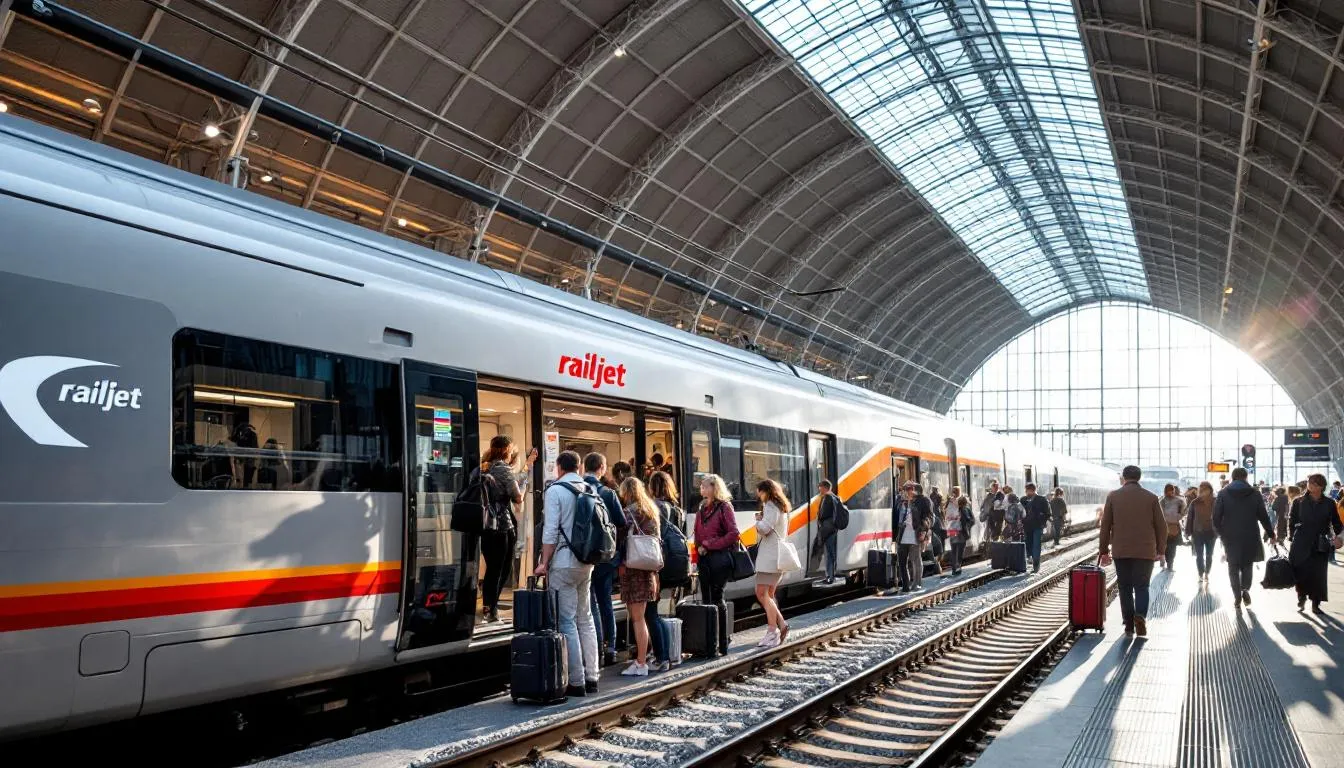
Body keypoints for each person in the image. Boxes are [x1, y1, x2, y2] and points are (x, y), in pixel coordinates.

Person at [535, 451, 601, 697]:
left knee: (566, 621)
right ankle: (593, 676)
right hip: (586, 562)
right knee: (585, 618)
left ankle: (577, 681)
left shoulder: (555, 491)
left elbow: (550, 532)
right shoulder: (589, 488)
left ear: (560, 467)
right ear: (579, 466)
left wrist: (544, 562)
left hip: (563, 562)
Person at [1099, 466, 1166, 636]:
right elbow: (1162, 527)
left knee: (1125, 587)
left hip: (1121, 550)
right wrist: (1161, 550)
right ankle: (1140, 616)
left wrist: (1104, 551)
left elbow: (1105, 526)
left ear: (1123, 477)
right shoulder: (1151, 498)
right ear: (1139, 477)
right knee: (1142, 586)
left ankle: (1129, 624)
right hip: (1145, 550)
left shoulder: (1113, 496)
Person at [477, 436, 537, 623]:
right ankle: (492, 608)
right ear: (506, 450)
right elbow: (517, 497)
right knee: (501, 569)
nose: (511, 453)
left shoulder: (484, 466)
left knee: (491, 569)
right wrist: (524, 479)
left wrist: (526, 467)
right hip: (502, 525)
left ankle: (488, 606)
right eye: (510, 449)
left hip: (485, 526)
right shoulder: (503, 468)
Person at [616, 477, 662, 676]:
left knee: (637, 618)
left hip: (633, 568)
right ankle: (645, 657)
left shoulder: (629, 513)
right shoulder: (651, 511)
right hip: (649, 569)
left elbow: (619, 538)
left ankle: (641, 662)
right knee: (641, 616)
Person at [1213, 466, 1276, 609]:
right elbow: (1263, 516)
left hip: (1230, 536)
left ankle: (1237, 597)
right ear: (1246, 477)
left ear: (1232, 477)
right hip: (1250, 535)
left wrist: (1221, 533)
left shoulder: (1223, 493)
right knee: (1248, 564)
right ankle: (1245, 589)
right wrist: (1271, 533)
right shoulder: (1255, 493)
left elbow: (1216, 517)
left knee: (1233, 566)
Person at [583, 453, 625, 666]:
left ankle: (595, 647)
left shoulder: (576, 489)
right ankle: (610, 648)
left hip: (583, 556)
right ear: (601, 467)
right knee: (605, 601)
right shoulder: (608, 493)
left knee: (589, 605)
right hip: (605, 556)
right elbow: (621, 521)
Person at [693, 474, 739, 656]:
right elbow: (697, 533)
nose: (701, 489)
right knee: (706, 599)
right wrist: (699, 549)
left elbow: (733, 533)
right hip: (705, 559)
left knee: (717, 597)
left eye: (705, 486)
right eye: (701, 486)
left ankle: (723, 642)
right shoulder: (701, 508)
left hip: (720, 558)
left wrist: (709, 545)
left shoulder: (724, 507)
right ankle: (709, 643)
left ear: (714, 488)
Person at [1288, 474, 1343, 614]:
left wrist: (1339, 538)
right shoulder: (1298, 501)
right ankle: (1301, 596)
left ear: (1321, 486)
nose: (1311, 485)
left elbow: (1336, 522)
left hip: (1320, 542)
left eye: (1314, 483)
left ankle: (1315, 603)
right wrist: (1292, 535)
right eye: (1309, 482)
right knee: (1300, 571)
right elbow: (1291, 521)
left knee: (1318, 574)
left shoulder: (1329, 503)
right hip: (1301, 541)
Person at [751, 479, 792, 648]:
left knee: (761, 594)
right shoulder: (781, 506)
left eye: (759, 492)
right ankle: (781, 625)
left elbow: (765, 529)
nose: (758, 496)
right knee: (769, 595)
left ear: (765, 491)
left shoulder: (770, 506)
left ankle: (771, 632)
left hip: (770, 558)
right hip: (777, 557)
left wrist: (758, 522)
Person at [893, 482, 932, 592]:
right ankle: (905, 585)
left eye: (909, 489)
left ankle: (917, 583)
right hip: (902, 536)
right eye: (905, 490)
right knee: (901, 562)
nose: (906, 492)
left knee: (916, 560)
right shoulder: (900, 503)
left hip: (915, 535)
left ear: (914, 490)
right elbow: (895, 518)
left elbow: (929, 517)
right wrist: (894, 535)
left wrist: (924, 529)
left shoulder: (922, 501)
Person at [1184, 481, 1217, 582]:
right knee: (1199, 555)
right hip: (1197, 532)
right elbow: (1190, 518)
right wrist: (1187, 531)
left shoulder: (1216, 501)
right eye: (1201, 489)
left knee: (1209, 555)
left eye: (1205, 489)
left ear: (1210, 490)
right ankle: (1200, 573)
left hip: (1211, 532)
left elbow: (1220, 516)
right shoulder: (1195, 502)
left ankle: (1207, 572)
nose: (1203, 491)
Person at [943, 486, 974, 576]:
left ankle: (955, 568)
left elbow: (947, 517)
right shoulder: (961, 504)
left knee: (954, 549)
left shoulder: (951, 503)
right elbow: (971, 520)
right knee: (959, 550)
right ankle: (957, 566)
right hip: (959, 530)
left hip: (953, 529)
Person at [815, 479, 841, 584]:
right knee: (830, 553)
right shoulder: (834, 497)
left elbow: (823, 515)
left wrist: (819, 518)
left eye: (820, 487)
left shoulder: (828, 498)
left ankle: (830, 576)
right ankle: (830, 575)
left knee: (829, 553)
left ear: (825, 487)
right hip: (831, 529)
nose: (819, 489)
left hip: (828, 530)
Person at [1021, 483, 1050, 573]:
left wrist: (1042, 520)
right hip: (1027, 526)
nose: (1026, 492)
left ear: (1032, 490)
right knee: (1029, 545)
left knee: (1036, 545)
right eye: (1026, 491)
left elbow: (1048, 513)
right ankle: (1030, 557)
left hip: (1038, 526)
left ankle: (1036, 565)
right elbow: (1020, 511)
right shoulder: (1023, 500)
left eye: (1027, 490)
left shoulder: (1042, 499)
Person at [1159, 484, 1186, 572]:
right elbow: (1160, 513)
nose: (1170, 492)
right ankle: (1166, 561)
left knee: (1172, 547)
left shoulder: (1179, 501)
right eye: (1169, 490)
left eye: (1172, 490)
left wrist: (1178, 516)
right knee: (1165, 547)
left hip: (1174, 527)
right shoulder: (1162, 501)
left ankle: (1170, 564)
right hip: (1164, 527)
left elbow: (1183, 511)